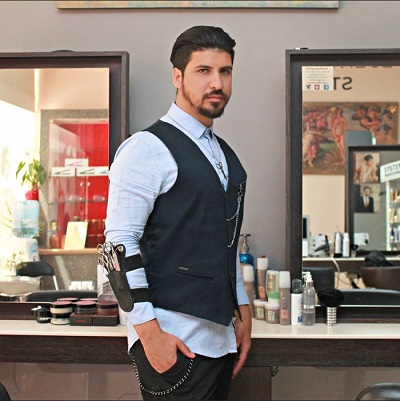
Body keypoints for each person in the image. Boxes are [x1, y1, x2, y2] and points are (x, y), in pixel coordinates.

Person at [105, 25, 251, 400]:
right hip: (173, 342)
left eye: (225, 71)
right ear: (177, 76)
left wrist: (242, 309)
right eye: (203, 70)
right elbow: (117, 245)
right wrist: (148, 334)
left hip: (220, 339)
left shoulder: (222, 153)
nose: (216, 82)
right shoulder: (146, 148)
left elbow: (224, 241)